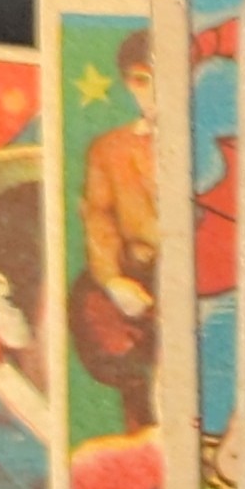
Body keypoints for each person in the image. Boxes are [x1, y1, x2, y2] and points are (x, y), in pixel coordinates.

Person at [71, 28, 160, 432]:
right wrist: (112, 280)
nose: (153, 92)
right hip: (139, 284)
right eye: (141, 80)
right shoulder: (110, 150)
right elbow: (99, 219)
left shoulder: (219, 143)